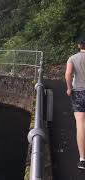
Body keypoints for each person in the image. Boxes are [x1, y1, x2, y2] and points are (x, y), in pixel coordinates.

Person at [65, 37, 85, 169]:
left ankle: (82, 159)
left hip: (78, 93)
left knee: (81, 123)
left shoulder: (72, 58)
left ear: (79, 45)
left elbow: (68, 74)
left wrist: (69, 88)